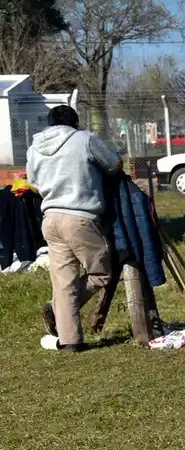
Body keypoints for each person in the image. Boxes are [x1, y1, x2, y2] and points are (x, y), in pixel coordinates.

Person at [25, 105, 122, 351]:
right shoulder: (84, 139)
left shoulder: (35, 147)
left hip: (50, 218)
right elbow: (114, 164)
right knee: (101, 273)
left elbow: (33, 182)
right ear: (75, 123)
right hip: (80, 216)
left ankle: (70, 341)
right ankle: (57, 309)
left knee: (64, 283)